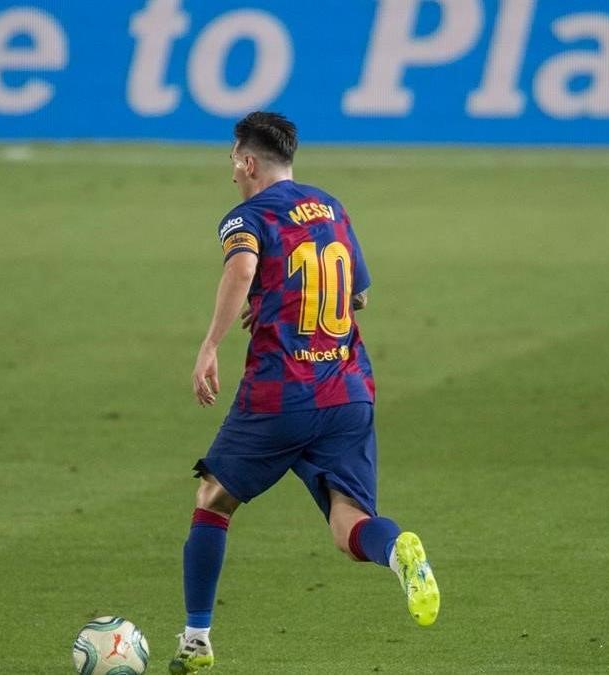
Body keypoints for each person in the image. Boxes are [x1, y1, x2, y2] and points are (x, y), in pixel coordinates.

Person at [170, 112, 439, 674]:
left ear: (247, 162)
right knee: (349, 526)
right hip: (347, 391)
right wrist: (278, 299)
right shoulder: (331, 206)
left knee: (214, 500)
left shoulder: (247, 216)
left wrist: (209, 343)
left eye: (232, 162)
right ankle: (396, 552)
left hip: (281, 394)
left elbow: (243, 269)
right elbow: (358, 295)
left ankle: (196, 641)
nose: (231, 173)